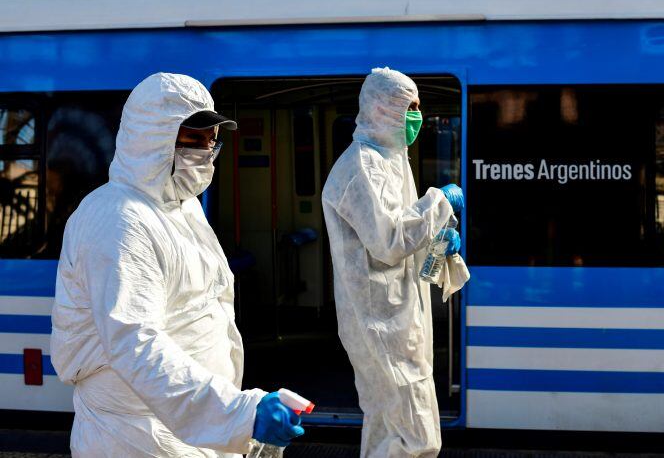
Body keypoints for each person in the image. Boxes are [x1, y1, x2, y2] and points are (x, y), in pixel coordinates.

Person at [50, 73, 303, 457]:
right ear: (150, 137)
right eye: (192, 137)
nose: (205, 151)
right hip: (134, 436)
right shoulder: (119, 220)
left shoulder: (180, 209)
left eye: (211, 141)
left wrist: (234, 426)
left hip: (182, 433)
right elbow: (136, 343)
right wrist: (238, 415)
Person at [321, 67, 464, 458]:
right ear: (383, 108)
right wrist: (440, 202)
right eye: (411, 107)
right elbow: (389, 241)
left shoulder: (388, 160)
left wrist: (437, 241)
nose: (418, 116)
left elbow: (397, 229)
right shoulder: (362, 167)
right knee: (418, 439)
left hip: (395, 320)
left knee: (387, 430)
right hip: (380, 325)